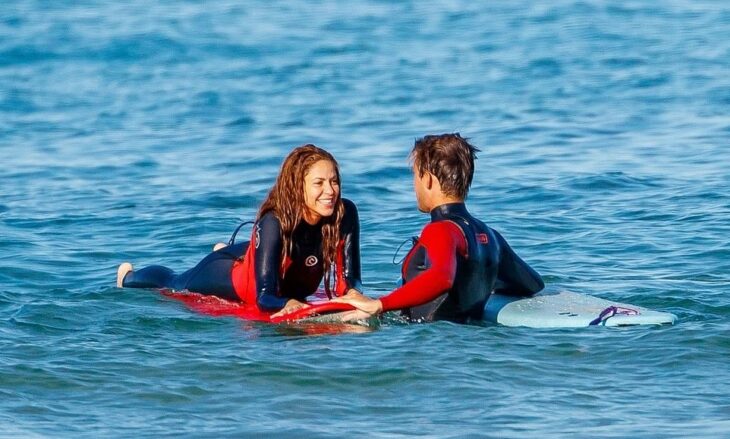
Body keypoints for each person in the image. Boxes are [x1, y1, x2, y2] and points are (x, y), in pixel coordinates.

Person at [117, 144, 362, 318]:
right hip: (237, 280)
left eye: (334, 181)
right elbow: (264, 297)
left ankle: (229, 250)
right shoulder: (274, 222)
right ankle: (128, 277)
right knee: (176, 282)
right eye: (319, 183)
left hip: (266, 254)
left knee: (262, 251)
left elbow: (351, 281)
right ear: (298, 187)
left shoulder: (345, 213)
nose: (330, 190)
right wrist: (287, 303)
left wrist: (354, 295)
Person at [333, 133, 544, 324]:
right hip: (467, 342)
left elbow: (441, 277)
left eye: (415, 175)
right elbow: (532, 284)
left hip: (430, 348)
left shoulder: (440, 230)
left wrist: (380, 304)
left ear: (428, 180)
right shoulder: (491, 237)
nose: (414, 184)